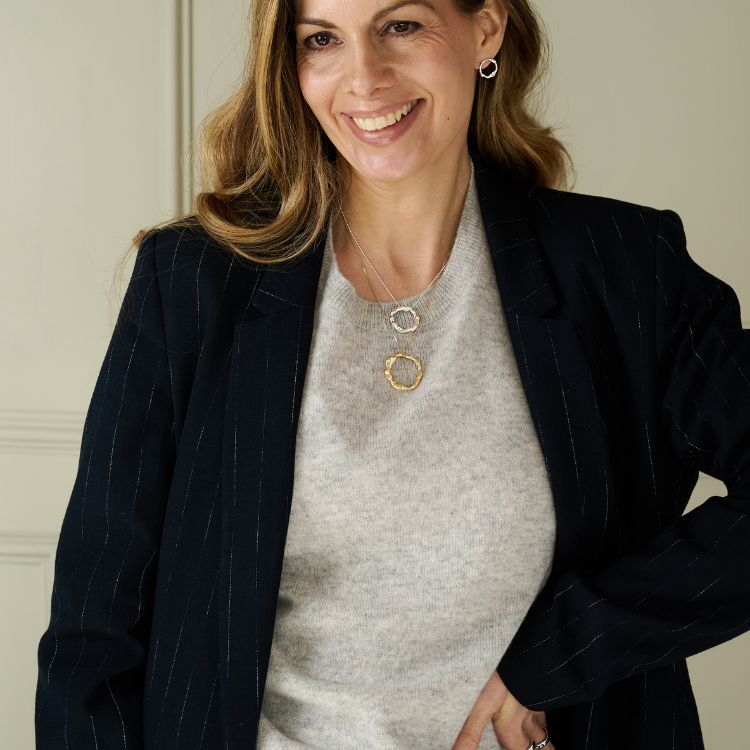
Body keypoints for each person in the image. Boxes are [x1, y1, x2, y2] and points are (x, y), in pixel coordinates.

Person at [34, 0, 749, 748]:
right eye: (321, 40)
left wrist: (569, 649)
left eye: (400, 26)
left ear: (486, 29)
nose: (364, 78)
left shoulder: (623, 269)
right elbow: (96, 625)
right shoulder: (193, 282)